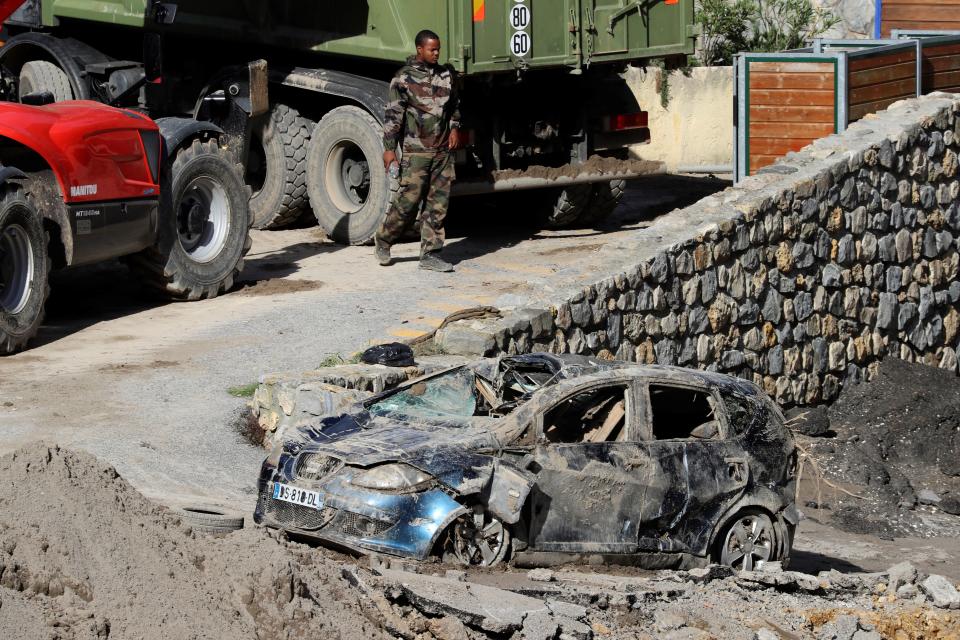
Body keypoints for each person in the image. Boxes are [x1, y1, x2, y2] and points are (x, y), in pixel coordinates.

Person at [375, 29, 463, 272]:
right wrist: (389, 149)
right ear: (419, 50)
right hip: (416, 152)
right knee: (407, 203)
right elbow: (394, 116)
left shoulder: (446, 75)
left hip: (442, 152)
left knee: (438, 205)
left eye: (438, 49)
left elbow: (454, 105)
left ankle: (431, 254)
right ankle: (383, 240)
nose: (436, 53)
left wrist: (454, 128)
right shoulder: (403, 79)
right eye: (432, 49)